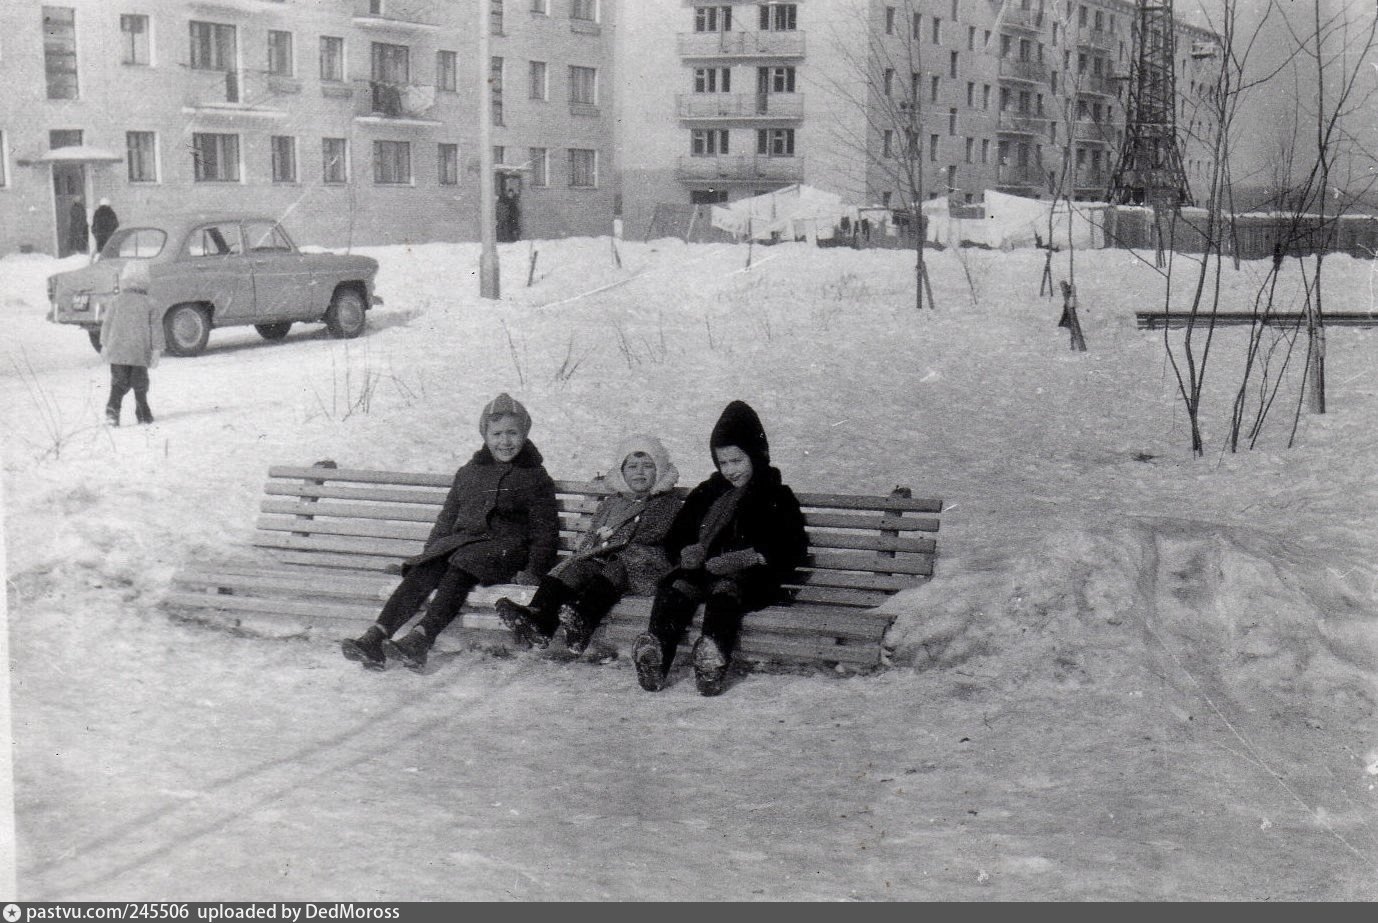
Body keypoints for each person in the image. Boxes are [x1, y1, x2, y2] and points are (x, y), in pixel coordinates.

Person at [341, 393, 559, 672]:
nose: (504, 441)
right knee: (428, 568)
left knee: (460, 565)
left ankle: (421, 638)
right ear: (485, 434)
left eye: (512, 433)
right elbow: (447, 519)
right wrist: (427, 555)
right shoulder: (470, 472)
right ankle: (376, 636)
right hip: (464, 545)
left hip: (506, 551)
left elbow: (545, 529)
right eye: (497, 434)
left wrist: (534, 570)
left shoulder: (535, 476)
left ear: (525, 433)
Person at [633, 401, 808, 696]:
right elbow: (677, 535)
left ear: (756, 454)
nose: (730, 470)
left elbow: (792, 545)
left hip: (750, 577)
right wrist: (687, 552)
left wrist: (749, 556)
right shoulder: (708, 491)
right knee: (677, 586)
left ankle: (711, 660)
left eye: (737, 461)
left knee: (724, 590)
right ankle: (656, 654)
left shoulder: (775, 494)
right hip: (703, 571)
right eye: (723, 462)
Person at [495, 434, 682, 656]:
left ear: (659, 470)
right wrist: (585, 552)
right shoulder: (612, 502)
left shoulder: (666, 503)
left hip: (643, 566)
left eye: (647, 466)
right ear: (621, 471)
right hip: (605, 561)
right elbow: (592, 534)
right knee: (575, 568)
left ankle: (583, 619)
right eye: (632, 466)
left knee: (618, 564)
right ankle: (540, 618)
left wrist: (611, 543)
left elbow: (653, 535)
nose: (639, 472)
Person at [101, 260, 163, 426]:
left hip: (117, 351)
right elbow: (156, 329)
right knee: (140, 384)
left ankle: (112, 412)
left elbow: (106, 324)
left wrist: (104, 345)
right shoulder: (150, 303)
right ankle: (142, 411)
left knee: (118, 383)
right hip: (139, 351)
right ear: (146, 281)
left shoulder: (115, 301)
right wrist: (157, 350)